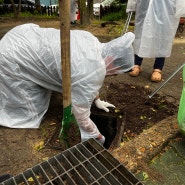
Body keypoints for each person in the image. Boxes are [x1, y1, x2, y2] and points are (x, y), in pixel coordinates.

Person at [0, 23, 135, 145]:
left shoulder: (91, 40)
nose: (114, 75)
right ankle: (16, 110)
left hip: (22, 35)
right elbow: (81, 115)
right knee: (31, 110)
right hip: (13, 54)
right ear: (111, 59)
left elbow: (87, 81)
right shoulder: (90, 71)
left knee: (42, 83)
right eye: (116, 72)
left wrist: (97, 100)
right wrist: (95, 134)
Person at [126, 0, 184, 82]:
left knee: (162, 37)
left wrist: (181, 9)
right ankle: (137, 64)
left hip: (166, 8)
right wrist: (132, 5)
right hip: (144, 6)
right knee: (141, 35)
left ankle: (158, 68)